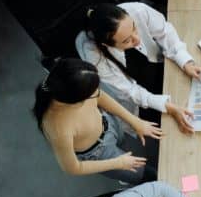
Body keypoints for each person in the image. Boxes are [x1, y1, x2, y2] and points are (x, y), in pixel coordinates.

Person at [33, 57, 162, 184]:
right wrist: (117, 163)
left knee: (122, 142)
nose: (97, 93)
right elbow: (72, 168)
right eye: (91, 93)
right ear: (74, 100)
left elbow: (101, 96)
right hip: (98, 153)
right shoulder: (59, 129)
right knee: (149, 176)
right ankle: (124, 175)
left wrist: (135, 121)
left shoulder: (72, 87)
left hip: (108, 123)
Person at [75, 3, 201, 134]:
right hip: (139, 95)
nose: (137, 40)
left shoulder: (137, 11)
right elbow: (130, 91)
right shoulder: (95, 57)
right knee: (170, 127)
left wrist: (185, 61)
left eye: (134, 28)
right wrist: (169, 107)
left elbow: (165, 32)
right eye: (127, 40)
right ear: (107, 44)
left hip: (156, 65)